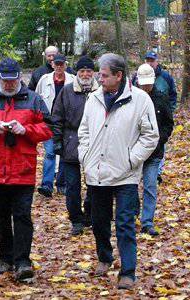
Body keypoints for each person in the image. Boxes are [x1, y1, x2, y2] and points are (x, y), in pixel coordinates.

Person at [0, 58, 53, 282]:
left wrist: (26, 130)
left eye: (12, 80)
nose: (8, 85)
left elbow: (49, 128)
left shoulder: (33, 99)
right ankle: (5, 257)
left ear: (19, 77)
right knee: (0, 217)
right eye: (4, 80)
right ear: (0, 78)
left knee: (22, 216)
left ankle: (23, 260)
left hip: (23, 169)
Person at [78, 53, 159, 289]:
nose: (99, 79)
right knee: (99, 220)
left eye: (104, 75)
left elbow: (150, 136)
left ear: (118, 76)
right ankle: (104, 257)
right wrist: (85, 156)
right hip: (97, 172)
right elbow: (84, 131)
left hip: (126, 175)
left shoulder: (141, 100)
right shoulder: (93, 98)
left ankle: (128, 271)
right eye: (99, 75)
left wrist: (132, 160)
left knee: (124, 223)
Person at [51, 56, 98, 235]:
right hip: (71, 142)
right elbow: (57, 117)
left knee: (95, 183)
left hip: (94, 144)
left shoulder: (100, 91)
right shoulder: (67, 91)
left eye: (88, 71)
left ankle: (89, 214)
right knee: (72, 187)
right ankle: (76, 219)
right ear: (77, 73)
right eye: (82, 71)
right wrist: (57, 141)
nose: (85, 74)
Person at [134, 64, 174, 236]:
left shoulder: (161, 97)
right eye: (143, 84)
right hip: (133, 151)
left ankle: (147, 221)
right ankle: (131, 214)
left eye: (148, 83)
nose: (146, 87)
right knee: (130, 187)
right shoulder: (131, 98)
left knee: (150, 186)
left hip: (154, 152)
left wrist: (160, 139)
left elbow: (168, 123)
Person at [132, 51, 177, 183]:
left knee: (159, 147)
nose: (150, 63)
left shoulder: (165, 77)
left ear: (157, 62)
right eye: (148, 60)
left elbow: (173, 95)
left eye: (152, 60)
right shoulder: (136, 78)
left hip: (161, 116)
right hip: (140, 129)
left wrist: (170, 109)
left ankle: (156, 172)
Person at [35, 54, 75, 197]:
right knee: (50, 153)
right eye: (56, 64)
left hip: (66, 123)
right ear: (52, 65)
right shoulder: (44, 80)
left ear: (65, 65)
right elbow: (37, 98)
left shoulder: (72, 80)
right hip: (49, 123)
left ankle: (62, 183)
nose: (59, 67)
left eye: (61, 64)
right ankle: (46, 184)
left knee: (64, 153)